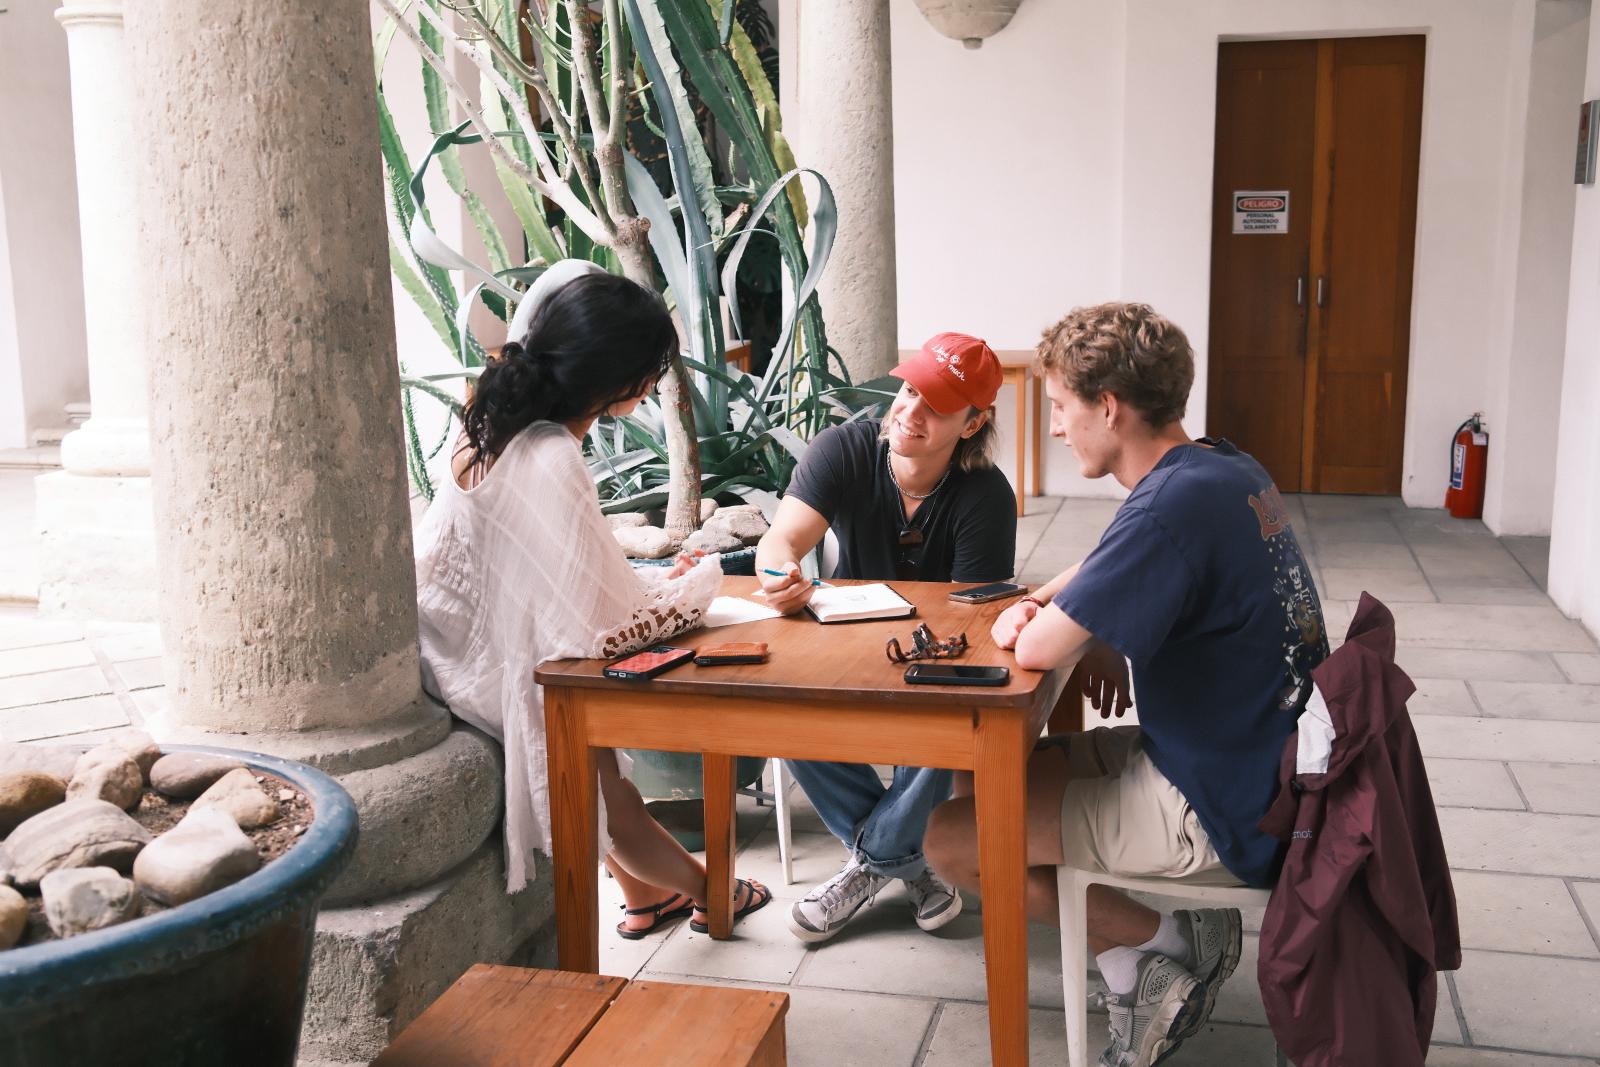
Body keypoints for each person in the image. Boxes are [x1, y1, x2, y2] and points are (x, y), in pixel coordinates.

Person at [922, 303, 1329, 1067]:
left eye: (1060, 408)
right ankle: (1145, 959)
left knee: (953, 839)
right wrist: (1055, 597)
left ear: (1107, 406)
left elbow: (1037, 645)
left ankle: (1165, 944)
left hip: (1221, 803)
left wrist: (1031, 618)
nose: (1053, 429)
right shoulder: (1221, 467)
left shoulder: (1172, 506)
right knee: (1018, 777)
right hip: (1251, 761)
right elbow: (1112, 553)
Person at [414, 260, 770, 941]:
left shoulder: (483, 419)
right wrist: (697, 583)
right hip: (498, 671)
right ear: (619, 383)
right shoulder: (552, 455)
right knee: (608, 788)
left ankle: (645, 898)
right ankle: (714, 892)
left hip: (449, 642)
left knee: (604, 773)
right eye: (648, 374)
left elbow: (554, 571)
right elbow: (607, 620)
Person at [754, 332, 1017, 943]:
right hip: (846, 637)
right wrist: (778, 576)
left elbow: (972, 620)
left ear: (974, 423)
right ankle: (911, 862)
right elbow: (782, 540)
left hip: (935, 655)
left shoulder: (986, 496)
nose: (910, 411)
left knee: (950, 723)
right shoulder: (842, 450)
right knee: (778, 702)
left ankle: (871, 864)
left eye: (938, 405)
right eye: (908, 390)